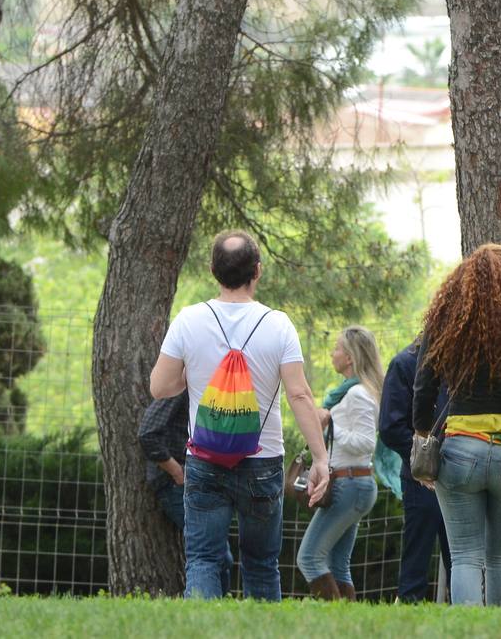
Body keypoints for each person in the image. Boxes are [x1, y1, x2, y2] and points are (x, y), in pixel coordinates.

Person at [149, 230, 329, 601]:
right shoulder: (278, 324)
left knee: (202, 559)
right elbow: (298, 393)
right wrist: (321, 458)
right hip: (262, 460)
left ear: (213, 271)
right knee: (262, 564)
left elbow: (159, 387)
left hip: (204, 458)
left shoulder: (188, 320)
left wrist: (194, 375)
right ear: (257, 271)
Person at [412, 244, 501, 607]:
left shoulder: (443, 322)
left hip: (459, 453)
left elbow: (423, 386)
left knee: (464, 557)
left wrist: (423, 440)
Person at [296, 326, 383, 601]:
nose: (332, 354)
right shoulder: (353, 393)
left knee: (309, 558)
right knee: (337, 564)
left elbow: (367, 443)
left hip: (350, 484)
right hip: (353, 484)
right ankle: (346, 623)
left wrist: (331, 423)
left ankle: (330, 622)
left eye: (336, 349)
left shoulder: (358, 394)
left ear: (350, 357)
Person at [378, 335, 451, 604]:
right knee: (416, 561)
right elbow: (390, 426)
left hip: (460, 475)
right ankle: (408, 615)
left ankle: (464, 619)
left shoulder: (459, 364)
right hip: (421, 479)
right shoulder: (404, 364)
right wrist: (423, 460)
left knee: (462, 559)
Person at [138, 390, 233, 594]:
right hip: (177, 482)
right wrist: (177, 472)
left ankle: (215, 610)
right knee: (213, 554)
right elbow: (148, 434)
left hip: (203, 478)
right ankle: (210, 610)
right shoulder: (180, 386)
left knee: (217, 555)